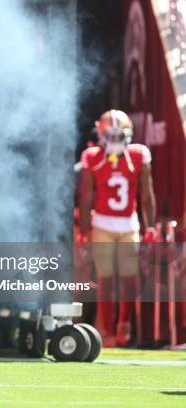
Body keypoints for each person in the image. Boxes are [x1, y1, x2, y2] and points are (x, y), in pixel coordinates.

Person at [79, 109, 156, 346]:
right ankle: (107, 330)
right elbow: (86, 196)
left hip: (128, 222)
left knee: (129, 277)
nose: (113, 140)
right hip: (102, 221)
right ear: (101, 135)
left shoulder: (138, 155)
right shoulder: (92, 157)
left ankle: (124, 323)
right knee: (106, 278)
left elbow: (147, 193)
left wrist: (150, 227)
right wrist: (84, 230)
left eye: (118, 135)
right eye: (109, 135)